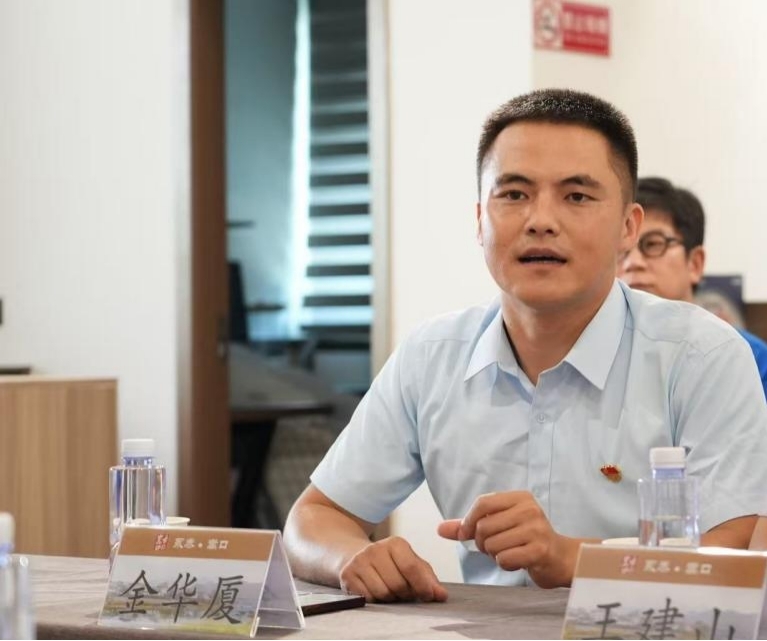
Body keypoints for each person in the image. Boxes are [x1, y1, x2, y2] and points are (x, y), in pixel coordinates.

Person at [283, 89, 767, 601]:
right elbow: (314, 518)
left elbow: (728, 559)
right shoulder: (431, 356)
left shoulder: (702, 355)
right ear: (479, 220)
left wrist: (569, 557)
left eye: (576, 196)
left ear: (628, 227)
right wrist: (350, 557)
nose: (540, 220)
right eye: (514, 194)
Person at [617, 177, 767, 398]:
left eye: (653, 244)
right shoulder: (598, 353)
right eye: (622, 250)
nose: (633, 262)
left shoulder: (748, 357)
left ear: (695, 263)